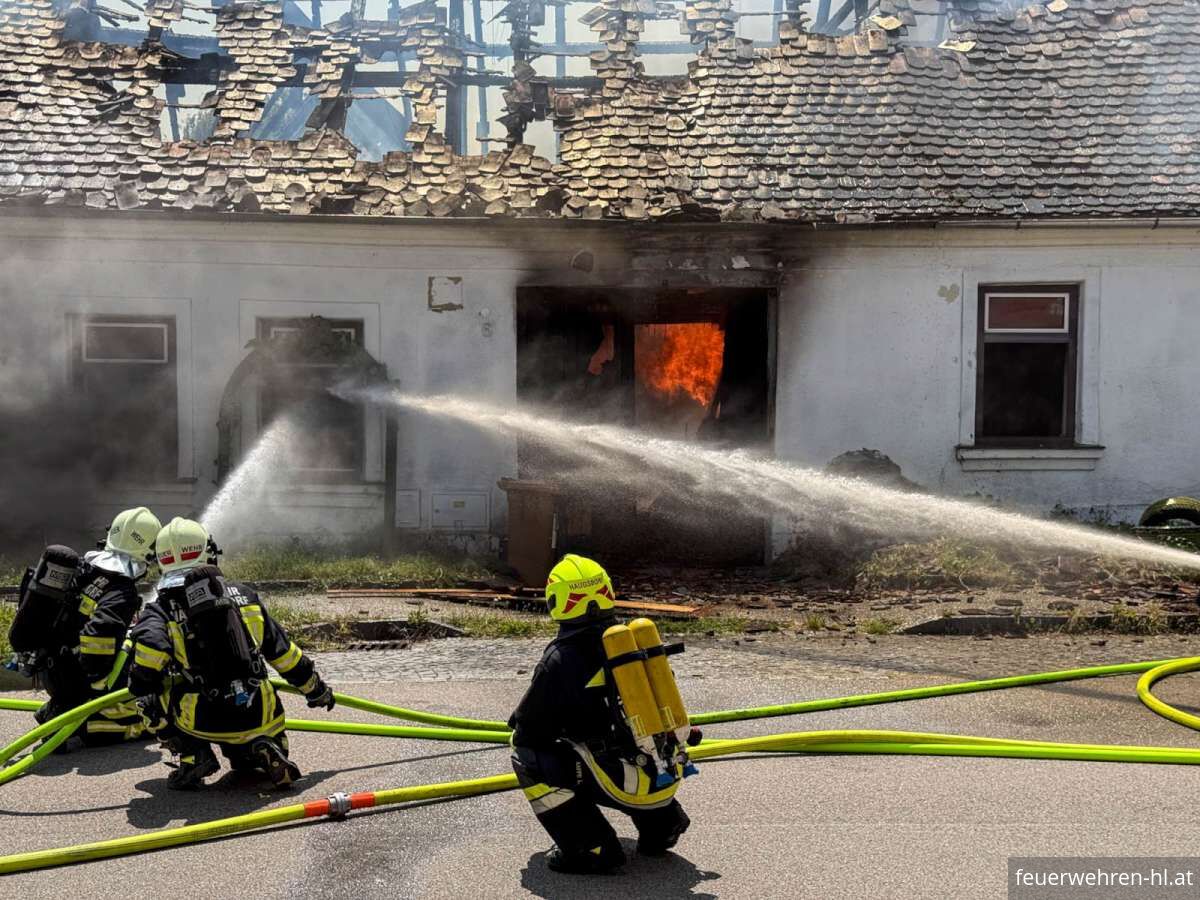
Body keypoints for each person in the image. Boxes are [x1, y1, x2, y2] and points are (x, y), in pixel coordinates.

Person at [509, 554, 692, 875]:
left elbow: (529, 729)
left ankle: (591, 846)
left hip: (619, 781)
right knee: (630, 742)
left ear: (558, 600)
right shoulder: (634, 644)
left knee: (526, 752)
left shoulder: (561, 658)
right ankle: (662, 826)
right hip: (664, 773)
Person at [129, 517, 334, 790]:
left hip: (202, 718)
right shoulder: (244, 596)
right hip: (260, 711)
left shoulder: (161, 609)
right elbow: (284, 655)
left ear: (161, 561)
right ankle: (265, 748)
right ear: (208, 551)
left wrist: (142, 688)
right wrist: (315, 689)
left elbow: (148, 659)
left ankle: (193, 756)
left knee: (150, 695)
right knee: (262, 692)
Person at [8, 507, 162, 746]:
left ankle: (60, 708)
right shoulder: (122, 590)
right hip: (78, 682)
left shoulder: (83, 567)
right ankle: (83, 723)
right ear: (147, 551)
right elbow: (98, 652)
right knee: (152, 714)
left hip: (50, 670)